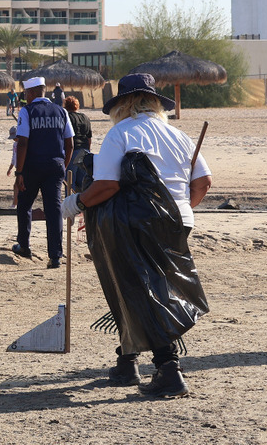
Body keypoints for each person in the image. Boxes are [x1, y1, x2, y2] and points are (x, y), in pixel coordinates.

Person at [60, 72, 213, 398]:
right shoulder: (179, 135)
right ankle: (127, 361)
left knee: (141, 292)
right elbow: (203, 183)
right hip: (178, 223)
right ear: (155, 103)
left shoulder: (121, 133)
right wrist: (181, 209)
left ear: (124, 104)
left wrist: (75, 203)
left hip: (136, 226)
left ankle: (168, 370)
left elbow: (107, 185)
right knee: (141, 289)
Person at [12, 76, 73, 269]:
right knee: (54, 209)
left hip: (32, 165)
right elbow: (69, 144)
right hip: (55, 165)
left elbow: (22, 143)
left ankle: (24, 245)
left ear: (30, 93)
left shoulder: (27, 111)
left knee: (24, 205)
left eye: (25, 93)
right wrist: (63, 166)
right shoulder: (61, 111)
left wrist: (19, 172)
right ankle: (55, 255)